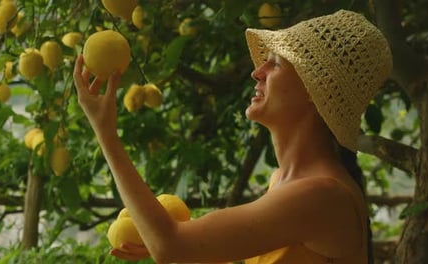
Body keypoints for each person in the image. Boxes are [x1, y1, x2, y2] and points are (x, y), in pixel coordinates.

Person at [73, 9, 392, 264]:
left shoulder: (321, 195)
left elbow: (168, 243)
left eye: (276, 64)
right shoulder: (285, 180)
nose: (257, 72)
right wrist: (191, 247)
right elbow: (175, 245)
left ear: (315, 90)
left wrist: (105, 132)